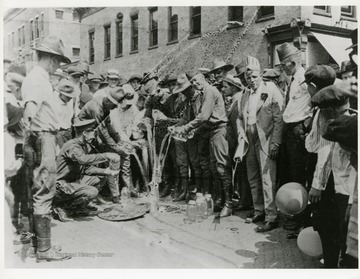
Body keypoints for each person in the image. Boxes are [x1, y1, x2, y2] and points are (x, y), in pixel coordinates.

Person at [21, 35, 71, 262]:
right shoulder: (38, 79)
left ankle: (40, 244)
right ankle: (44, 250)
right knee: (44, 190)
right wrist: (36, 141)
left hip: (40, 138)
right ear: (51, 59)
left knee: (38, 191)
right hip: (43, 137)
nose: (59, 66)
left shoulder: (36, 77)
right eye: (58, 61)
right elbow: (30, 111)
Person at [307, 84, 355, 268]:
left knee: (346, 239)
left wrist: (317, 184)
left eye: (324, 112)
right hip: (334, 185)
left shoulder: (347, 125)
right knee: (328, 230)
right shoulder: (340, 121)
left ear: (332, 110)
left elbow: (324, 151)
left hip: (346, 191)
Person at [175, 72, 233, 217]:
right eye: (193, 81)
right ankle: (220, 199)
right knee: (214, 167)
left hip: (219, 129)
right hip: (210, 131)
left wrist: (186, 128)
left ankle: (229, 203)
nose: (195, 83)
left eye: (196, 80)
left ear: (204, 79)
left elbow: (203, 116)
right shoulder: (203, 93)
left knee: (221, 166)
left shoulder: (210, 91)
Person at [239, 56, 285, 232]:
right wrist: (241, 133)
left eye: (254, 77)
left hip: (265, 138)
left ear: (261, 76)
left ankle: (271, 216)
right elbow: (239, 117)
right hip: (249, 138)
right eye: (248, 78)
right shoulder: (245, 93)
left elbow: (279, 119)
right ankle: (259, 210)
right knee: (253, 176)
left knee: (267, 178)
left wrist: (275, 143)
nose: (251, 81)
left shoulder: (271, 89)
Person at [276, 42, 314, 231]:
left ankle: (301, 219)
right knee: (291, 174)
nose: (282, 69)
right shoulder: (293, 80)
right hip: (290, 131)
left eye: (283, 65)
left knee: (299, 176)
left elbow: (316, 99)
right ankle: (296, 215)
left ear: (292, 62)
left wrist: (307, 122)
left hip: (299, 130)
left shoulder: (305, 78)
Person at [53, 119, 120, 222]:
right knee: (92, 192)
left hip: (72, 182)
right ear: (84, 133)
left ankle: (79, 207)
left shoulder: (82, 145)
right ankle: (62, 207)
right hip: (60, 186)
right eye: (92, 133)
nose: (94, 136)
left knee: (100, 178)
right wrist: (106, 155)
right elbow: (83, 160)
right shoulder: (73, 146)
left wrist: (106, 171)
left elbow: (86, 168)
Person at [221, 74, 252, 211]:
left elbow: (238, 124)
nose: (223, 89)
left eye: (225, 87)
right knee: (239, 171)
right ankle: (242, 198)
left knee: (242, 171)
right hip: (233, 142)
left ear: (234, 88)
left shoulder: (239, 101)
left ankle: (245, 200)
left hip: (239, 142)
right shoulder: (233, 100)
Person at [54, 79, 77, 148]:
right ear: (61, 93)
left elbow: (73, 116)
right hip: (58, 133)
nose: (69, 98)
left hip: (68, 131)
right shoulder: (54, 103)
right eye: (67, 96)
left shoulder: (71, 101)